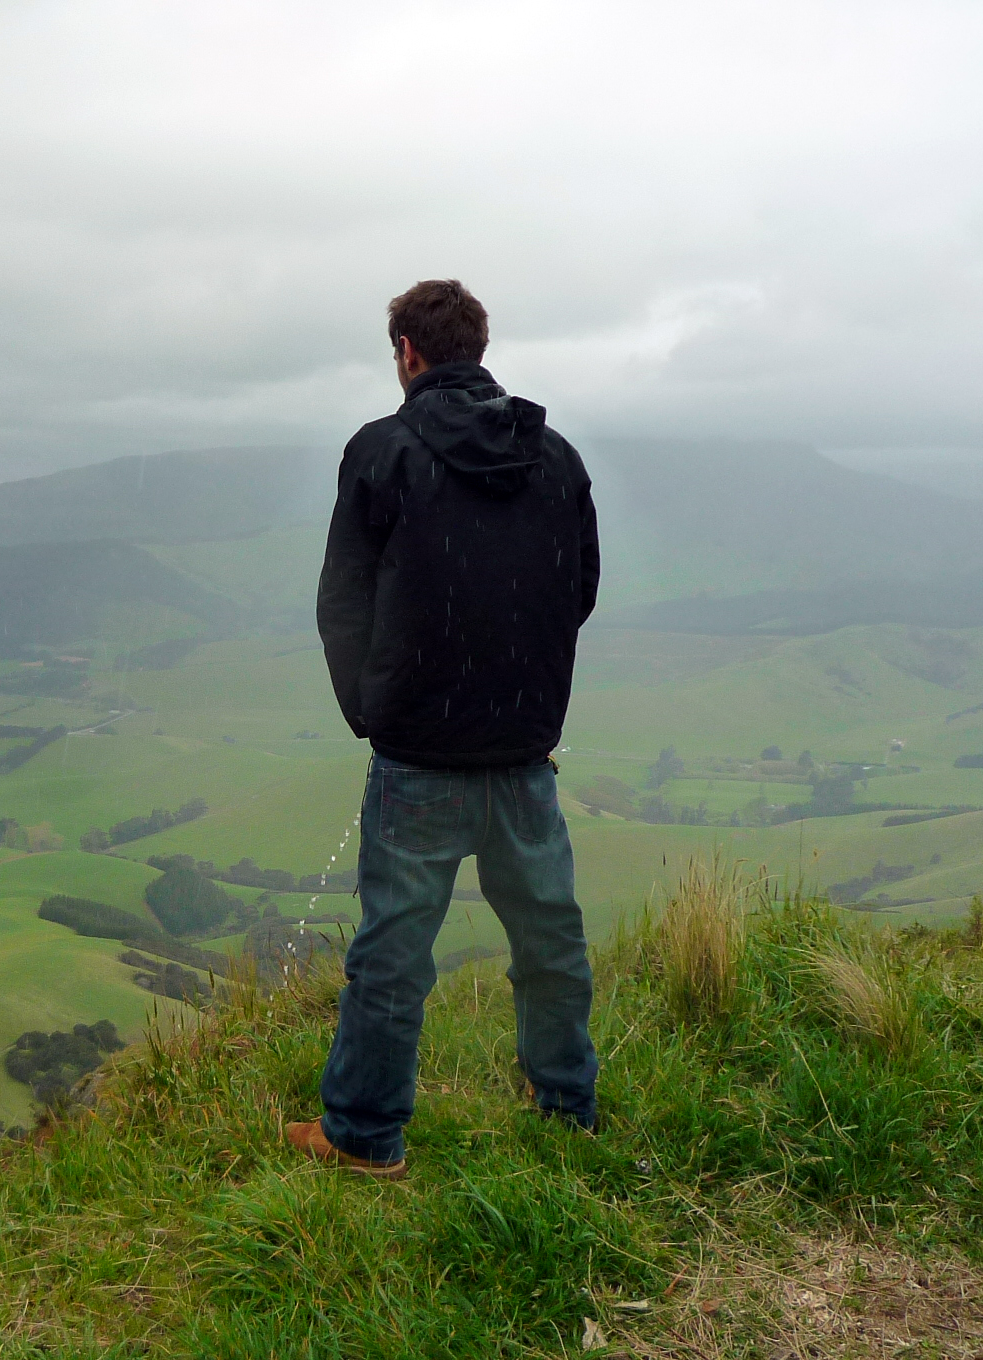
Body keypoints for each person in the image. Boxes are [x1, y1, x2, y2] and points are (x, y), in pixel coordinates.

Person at [286, 279, 602, 1179]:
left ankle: (364, 1136)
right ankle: (566, 1106)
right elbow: (577, 591)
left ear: (409, 353)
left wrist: (373, 710)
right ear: (477, 347)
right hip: (522, 754)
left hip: (417, 758)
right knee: (551, 940)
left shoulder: (382, 451)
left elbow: (342, 601)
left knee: (392, 955)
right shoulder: (557, 457)